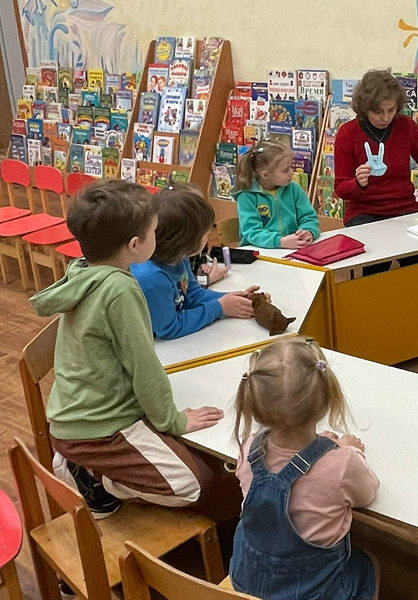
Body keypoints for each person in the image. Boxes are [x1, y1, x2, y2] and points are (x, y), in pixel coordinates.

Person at [30, 180, 224, 517]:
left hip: (77, 418)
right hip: (96, 433)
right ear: (135, 245)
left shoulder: (85, 270)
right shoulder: (120, 290)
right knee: (197, 484)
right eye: (154, 231)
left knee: (192, 461)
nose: (158, 236)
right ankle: (92, 477)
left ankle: (89, 467)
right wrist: (174, 421)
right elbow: (144, 368)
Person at [230, 338, 380, 600]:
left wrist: (322, 448)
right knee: (368, 565)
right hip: (313, 594)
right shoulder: (343, 464)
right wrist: (349, 450)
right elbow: (368, 493)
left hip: (247, 585)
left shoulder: (249, 449)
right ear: (327, 400)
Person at [334, 69, 418, 274]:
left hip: (404, 209)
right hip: (364, 212)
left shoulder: (407, 126)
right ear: (364, 108)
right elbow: (340, 189)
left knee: (416, 265)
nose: (385, 118)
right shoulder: (347, 133)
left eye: (391, 110)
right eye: (378, 112)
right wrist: (358, 183)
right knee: (376, 266)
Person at [132, 183, 262, 340]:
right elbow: (170, 327)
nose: (208, 239)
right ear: (186, 242)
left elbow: (192, 295)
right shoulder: (151, 278)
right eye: (206, 235)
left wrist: (235, 300)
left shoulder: (179, 257)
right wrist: (219, 307)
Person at [234, 139, 321, 249]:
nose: (292, 172)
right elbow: (252, 231)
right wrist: (280, 241)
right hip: (259, 251)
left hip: (292, 249)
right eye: (285, 170)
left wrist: (308, 231)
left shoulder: (294, 189)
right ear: (265, 175)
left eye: (291, 167)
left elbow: (308, 217)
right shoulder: (247, 197)